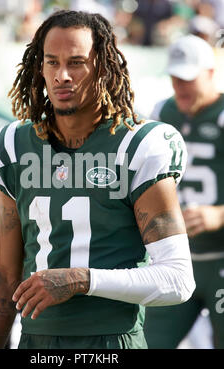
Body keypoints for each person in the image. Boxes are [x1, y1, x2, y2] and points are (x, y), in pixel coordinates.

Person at [0, 10, 195, 350]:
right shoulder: (11, 146)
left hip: (112, 342)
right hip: (36, 342)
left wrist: (81, 279)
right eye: (52, 62)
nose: (62, 75)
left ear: (103, 69)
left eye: (76, 62)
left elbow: (178, 280)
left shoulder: (138, 145)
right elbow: (4, 275)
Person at [144, 34, 224, 349]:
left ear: (209, 73)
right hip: (176, 261)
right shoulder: (163, 114)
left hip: (220, 258)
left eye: (188, 78)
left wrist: (219, 214)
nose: (180, 86)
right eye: (175, 77)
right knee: (148, 343)